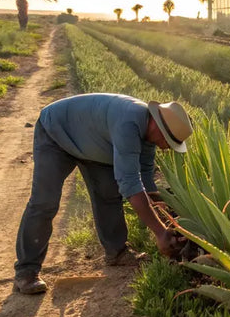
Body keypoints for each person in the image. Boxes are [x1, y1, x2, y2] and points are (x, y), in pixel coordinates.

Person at [13, 93, 193, 294]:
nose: (167, 147)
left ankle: (116, 252)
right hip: (57, 134)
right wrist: (160, 233)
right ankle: (26, 270)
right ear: (157, 127)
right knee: (44, 201)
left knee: (108, 195)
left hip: (94, 144)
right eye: (168, 141)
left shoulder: (147, 138)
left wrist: (167, 222)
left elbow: (146, 180)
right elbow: (130, 183)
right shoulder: (129, 123)